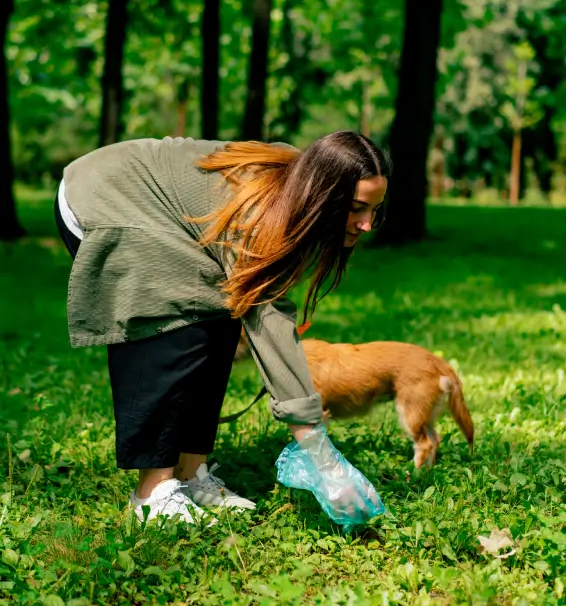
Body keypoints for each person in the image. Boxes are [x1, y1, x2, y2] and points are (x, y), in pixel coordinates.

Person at [54, 131, 390, 523]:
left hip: (150, 201)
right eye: (355, 208)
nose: (367, 224)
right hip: (105, 196)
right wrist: (318, 450)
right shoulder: (263, 212)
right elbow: (269, 317)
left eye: (374, 210)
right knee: (176, 321)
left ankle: (190, 472)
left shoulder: (296, 189)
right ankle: (153, 495)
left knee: (221, 318)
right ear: (324, 194)